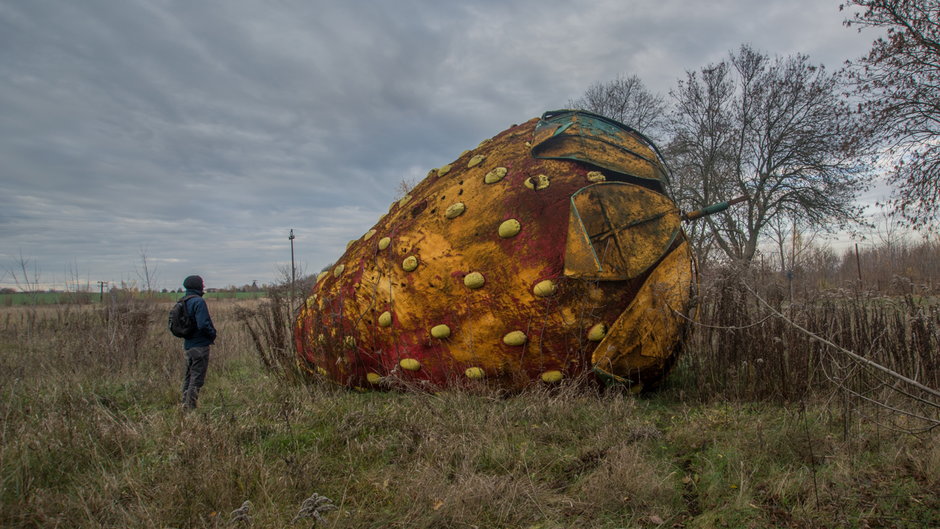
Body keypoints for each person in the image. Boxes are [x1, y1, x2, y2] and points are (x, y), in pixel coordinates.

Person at [179, 275, 217, 409]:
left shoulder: (183, 300)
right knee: (197, 379)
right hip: (200, 346)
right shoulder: (198, 301)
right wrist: (212, 335)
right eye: (202, 283)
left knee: (189, 377)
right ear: (197, 286)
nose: (203, 286)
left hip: (188, 345)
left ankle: (184, 404)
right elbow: (203, 324)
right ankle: (190, 409)